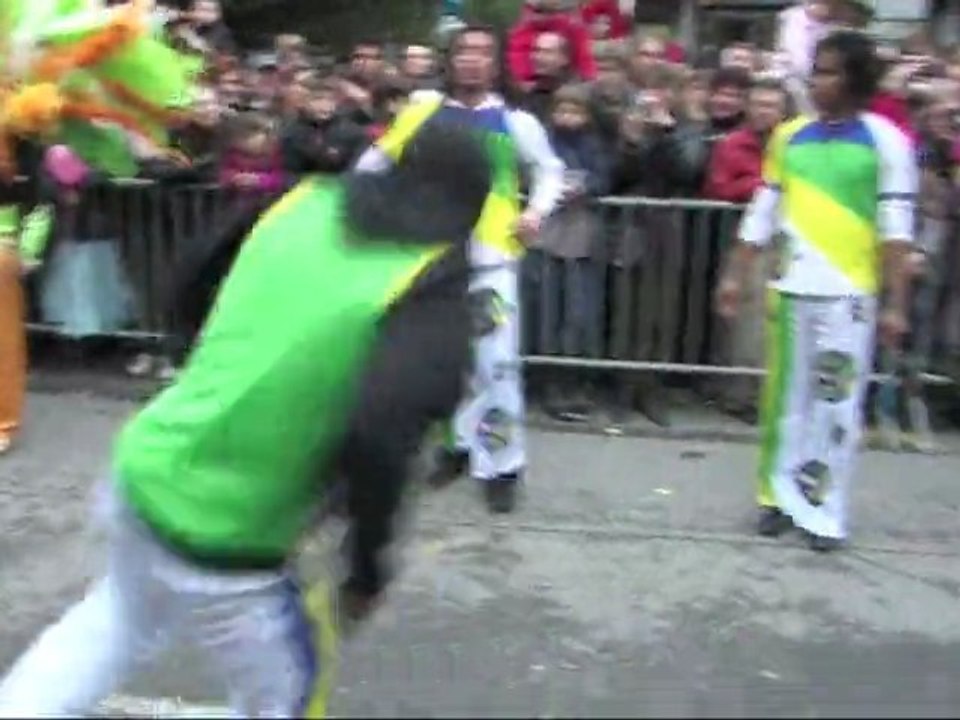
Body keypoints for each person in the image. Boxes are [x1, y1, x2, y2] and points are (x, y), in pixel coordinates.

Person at [0, 121, 493, 717]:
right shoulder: (430, 276)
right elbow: (383, 433)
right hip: (229, 536)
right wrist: (365, 569)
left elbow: (193, 270)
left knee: (114, 621)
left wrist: (202, 369)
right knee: (283, 699)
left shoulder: (310, 198)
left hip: (149, 463)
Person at [715, 30, 917, 551]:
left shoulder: (886, 140)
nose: (816, 80)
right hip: (790, 289)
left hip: (848, 297)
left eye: (828, 71)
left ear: (855, 78)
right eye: (816, 69)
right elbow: (764, 209)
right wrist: (737, 272)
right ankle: (775, 496)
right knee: (785, 402)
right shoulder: (790, 136)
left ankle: (823, 507)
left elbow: (897, 231)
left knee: (836, 404)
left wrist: (896, 304)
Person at [355, 24, 565, 514]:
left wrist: (535, 211)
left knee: (497, 364)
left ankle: (503, 463)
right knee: (443, 361)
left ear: (496, 63)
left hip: (492, 259)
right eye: (464, 52)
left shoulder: (515, 121)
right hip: (433, 260)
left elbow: (551, 171)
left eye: (482, 53)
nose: (472, 61)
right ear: (450, 60)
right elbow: (372, 165)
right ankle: (459, 444)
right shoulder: (423, 112)